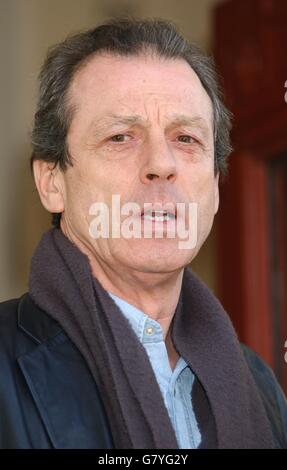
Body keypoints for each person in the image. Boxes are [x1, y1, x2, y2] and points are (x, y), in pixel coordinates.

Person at [0, 18, 286, 450]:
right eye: (120, 137)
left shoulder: (262, 388)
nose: (161, 163)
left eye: (186, 138)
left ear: (214, 188)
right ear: (52, 182)